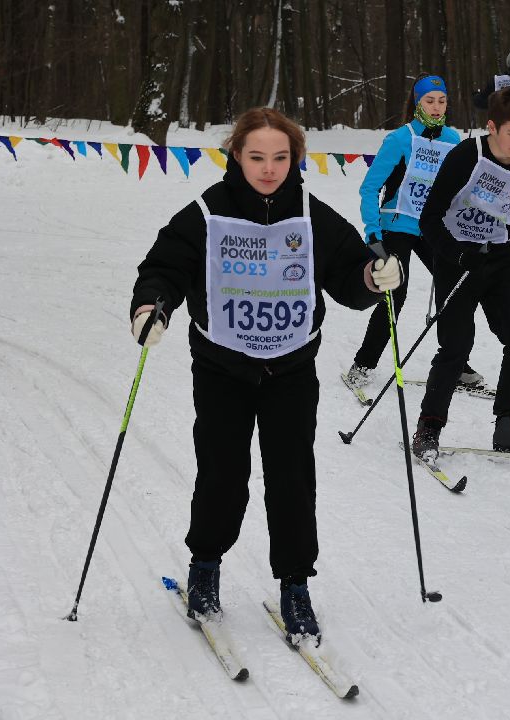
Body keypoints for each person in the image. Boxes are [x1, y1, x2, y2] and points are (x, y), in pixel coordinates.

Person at [130, 107, 403, 644]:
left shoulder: (311, 214)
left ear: (295, 159)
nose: (269, 168)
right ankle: (205, 567)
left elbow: (348, 273)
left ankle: (295, 584)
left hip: (291, 369)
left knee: (292, 478)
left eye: (281, 157)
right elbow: (165, 265)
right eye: (257, 156)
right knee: (223, 473)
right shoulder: (207, 213)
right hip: (221, 367)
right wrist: (152, 306)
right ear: (237, 156)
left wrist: (374, 276)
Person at [411, 86, 510, 461]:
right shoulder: (466, 156)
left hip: (499, 259)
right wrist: (458, 255)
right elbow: (429, 219)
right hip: (457, 259)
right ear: (492, 127)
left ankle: (508, 424)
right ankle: (429, 426)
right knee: (457, 345)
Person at [343, 74, 484, 396]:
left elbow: (463, 190)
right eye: (429, 101)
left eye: (442, 101)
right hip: (396, 226)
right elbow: (369, 187)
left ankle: (455, 363)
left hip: (433, 228)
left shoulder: (453, 139)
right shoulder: (399, 139)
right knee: (396, 294)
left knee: (457, 289)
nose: (436, 107)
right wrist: (372, 231)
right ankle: (362, 365)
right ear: (417, 102)